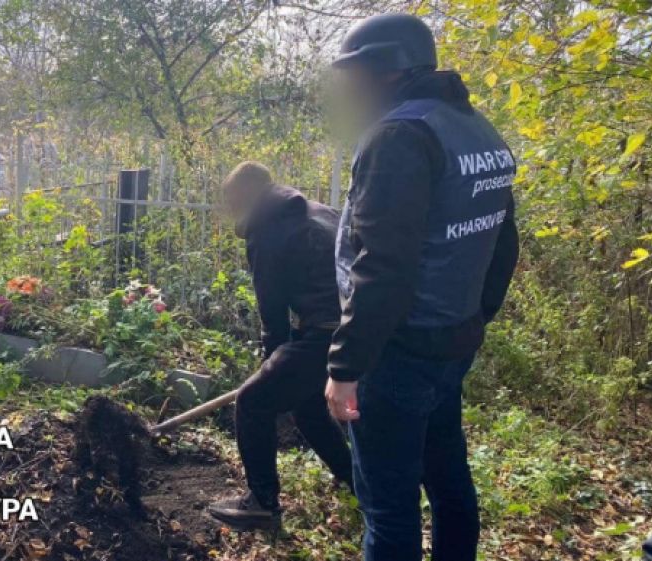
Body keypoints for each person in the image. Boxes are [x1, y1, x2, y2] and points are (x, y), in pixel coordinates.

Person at [324, 14, 519, 561]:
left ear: (382, 69)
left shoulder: (398, 136)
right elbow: (503, 243)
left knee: (389, 510)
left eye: (352, 73)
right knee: (449, 481)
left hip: (398, 352)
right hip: (451, 341)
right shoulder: (476, 129)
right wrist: (473, 319)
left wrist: (345, 367)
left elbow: (383, 266)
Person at [208, 161, 353, 531]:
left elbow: (272, 310)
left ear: (244, 198)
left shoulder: (267, 227)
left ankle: (262, 503)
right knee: (307, 406)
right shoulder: (318, 211)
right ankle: (355, 481)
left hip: (325, 330)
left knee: (253, 400)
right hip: (358, 329)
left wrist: (271, 360)